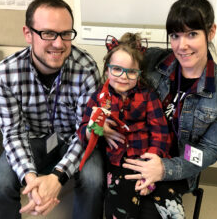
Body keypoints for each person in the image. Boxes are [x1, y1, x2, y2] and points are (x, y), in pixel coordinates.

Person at [122, 0, 217, 218]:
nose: (181, 45)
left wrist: (165, 169)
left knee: (151, 212)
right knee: (121, 202)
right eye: (175, 35)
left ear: (211, 32)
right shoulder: (153, 61)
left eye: (192, 34)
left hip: (176, 166)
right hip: (136, 151)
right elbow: (117, 67)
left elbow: (209, 150)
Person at [0, 0, 104, 219]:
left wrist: (57, 176)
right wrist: (30, 177)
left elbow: (85, 131)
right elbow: (13, 133)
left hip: (73, 137)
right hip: (33, 137)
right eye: (48, 33)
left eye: (66, 34)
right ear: (28, 34)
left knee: (95, 180)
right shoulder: (5, 74)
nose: (59, 43)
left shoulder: (86, 68)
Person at [77, 34, 180, 218]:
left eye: (131, 72)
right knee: (119, 207)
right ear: (107, 70)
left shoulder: (148, 95)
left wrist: (151, 165)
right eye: (117, 69)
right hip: (119, 163)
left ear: (139, 74)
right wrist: (97, 128)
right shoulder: (99, 98)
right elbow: (85, 128)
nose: (124, 77)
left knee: (170, 207)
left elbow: (160, 132)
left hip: (149, 159)